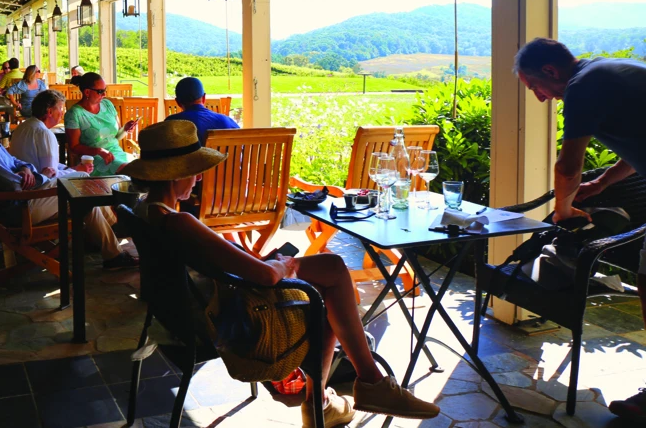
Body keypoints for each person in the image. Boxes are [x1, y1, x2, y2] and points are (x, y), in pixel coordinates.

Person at [123, 120, 440, 428]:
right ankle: (346, 393)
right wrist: (284, 265)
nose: (197, 180)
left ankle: (332, 400)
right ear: (176, 175)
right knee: (328, 287)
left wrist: (254, 258)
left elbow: (216, 260)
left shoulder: (145, 212)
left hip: (180, 313)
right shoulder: (180, 223)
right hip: (223, 322)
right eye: (194, 172)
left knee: (327, 276)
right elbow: (266, 278)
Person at [513, 38, 646, 420]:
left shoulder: (582, 86)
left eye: (535, 87)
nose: (540, 98)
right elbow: (638, 144)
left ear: (551, 71)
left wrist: (562, 210)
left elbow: (568, 166)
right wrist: (603, 183)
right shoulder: (605, 71)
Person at [0, 93, 137, 270]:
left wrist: (26, 169)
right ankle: (111, 243)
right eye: (60, 109)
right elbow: (14, 185)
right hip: (20, 209)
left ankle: (105, 239)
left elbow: (16, 162)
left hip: (23, 201)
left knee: (83, 192)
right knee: (83, 194)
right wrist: (41, 176)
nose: (62, 112)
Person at [64, 72, 137, 176]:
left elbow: (116, 137)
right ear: (87, 92)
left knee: (142, 167)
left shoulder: (108, 105)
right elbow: (74, 147)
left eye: (105, 90)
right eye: (100, 91)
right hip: (93, 159)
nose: (104, 94)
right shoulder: (74, 114)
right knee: (130, 171)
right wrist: (99, 151)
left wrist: (125, 129)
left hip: (116, 153)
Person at [11, 90, 94, 177]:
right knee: (83, 175)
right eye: (61, 108)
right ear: (50, 112)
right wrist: (76, 171)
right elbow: (50, 175)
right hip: (39, 187)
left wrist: (72, 169)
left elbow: (48, 165)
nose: (62, 113)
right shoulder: (44, 133)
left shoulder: (23, 126)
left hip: (24, 180)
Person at [166, 76, 239, 142]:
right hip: (226, 157)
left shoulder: (170, 125)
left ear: (178, 102)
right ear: (204, 98)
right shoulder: (227, 121)